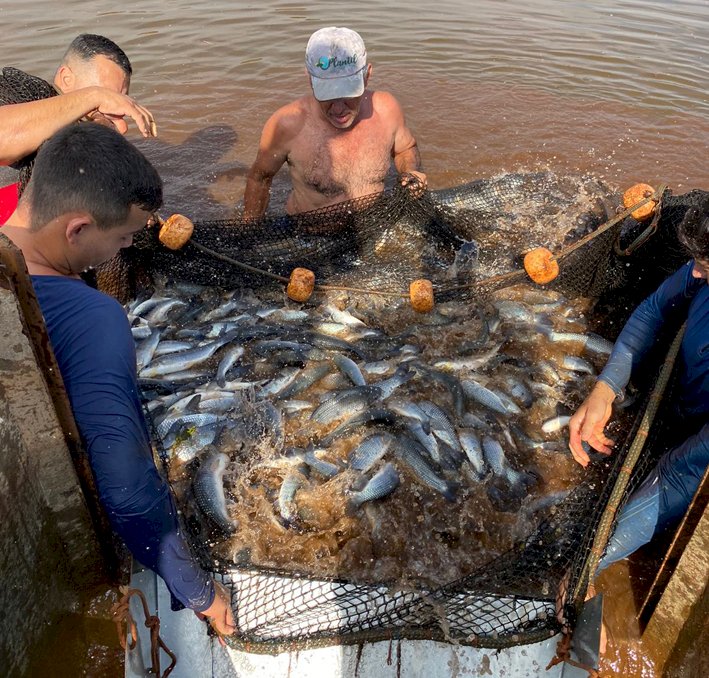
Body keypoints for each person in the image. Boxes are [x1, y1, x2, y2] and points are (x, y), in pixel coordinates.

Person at [1, 123, 235, 639]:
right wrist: (195, 588)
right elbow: (126, 490)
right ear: (77, 229)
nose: (127, 248)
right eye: (124, 237)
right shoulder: (92, 318)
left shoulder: (7, 213)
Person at [568, 198, 709, 575]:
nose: (694, 275)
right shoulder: (700, 275)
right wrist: (606, 389)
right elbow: (654, 309)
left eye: (706, 266)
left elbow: (681, 474)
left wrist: (590, 566)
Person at [243, 26, 426, 220]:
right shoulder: (286, 124)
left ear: (367, 75)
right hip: (309, 233)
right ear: (310, 79)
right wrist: (249, 228)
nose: (339, 108)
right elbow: (260, 178)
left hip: (373, 221)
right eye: (328, 93)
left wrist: (410, 172)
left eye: (348, 92)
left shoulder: (387, 109)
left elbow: (405, 148)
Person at [0, 33, 156, 222]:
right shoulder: (21, 97)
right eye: (109, 94)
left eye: (120, 99)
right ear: (66, 78)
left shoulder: (95, 133)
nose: (115, 105)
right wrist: (95, 97)